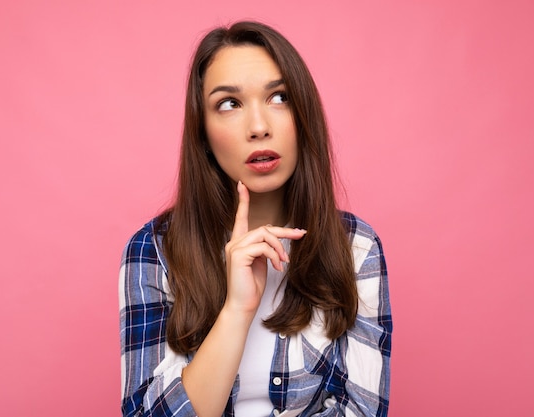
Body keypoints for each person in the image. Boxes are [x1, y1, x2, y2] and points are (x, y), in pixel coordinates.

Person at [119, 21, 392, 417]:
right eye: (229, 103)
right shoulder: (154, 251)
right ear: (203, 136)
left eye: (279, 97)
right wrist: (236, 311)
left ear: (304, 116)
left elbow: (364, 412)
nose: (260, 127)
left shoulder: (356, 248)